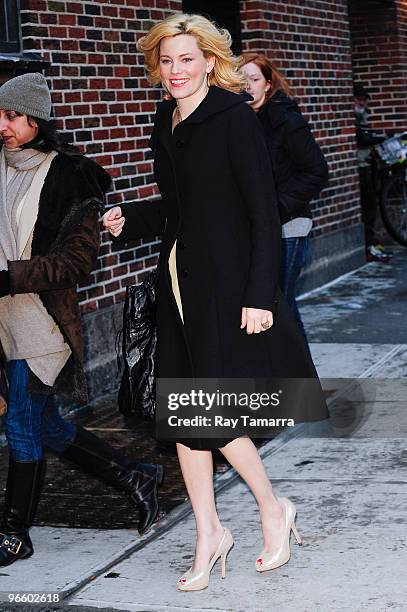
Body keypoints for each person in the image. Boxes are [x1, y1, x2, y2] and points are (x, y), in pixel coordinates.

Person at [103, 13, 328, 591]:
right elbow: (180, 211)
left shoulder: (232, 118)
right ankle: (210, 531)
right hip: (181, 282)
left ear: (208, 60)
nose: (176, 71)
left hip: (229, 287)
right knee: (184, 415)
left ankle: (272, 509)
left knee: (216, 414)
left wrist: (261, 295)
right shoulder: (166, 118)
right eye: (166, 60)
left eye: (186, 58)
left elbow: (260, 212)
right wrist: (132, 218)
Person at [0, 73, 163, 567]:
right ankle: (134, 475)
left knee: (22, 427)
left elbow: (76, 263)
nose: (2, 126)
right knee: (45, 425)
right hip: (3, 324)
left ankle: (13, 531)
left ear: (37, 120)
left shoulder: (71, 178)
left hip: (42, 325)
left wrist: (7, 277)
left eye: (11, 116)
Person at [241, 53, 329, 339]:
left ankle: (300, 375)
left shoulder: (286, 119)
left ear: (268, 84)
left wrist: (277, 207)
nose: (247, 86)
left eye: (254, 79)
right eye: (241, 80)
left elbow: (317, 171)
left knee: (279, 304)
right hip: (256, 229)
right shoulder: (239, 122)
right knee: (270, 304)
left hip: (289, 226)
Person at [354, 83, 392, 262]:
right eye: (359, 100)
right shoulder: (353, 117)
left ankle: (371, 242)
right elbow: (361, 138)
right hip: (359, 166)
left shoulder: (362, 114)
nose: (362, 104)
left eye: (364, 100)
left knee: (371, 205)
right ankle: (368, 245)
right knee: (368, 207)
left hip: (367, 164)